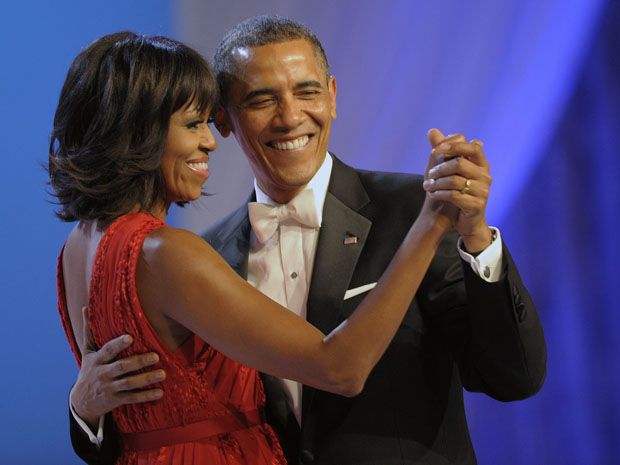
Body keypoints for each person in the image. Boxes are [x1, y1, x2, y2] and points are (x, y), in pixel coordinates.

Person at [66, 17, 546, 465]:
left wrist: (477, 239)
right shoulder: (201, 255)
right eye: (261, 99)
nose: (290, 116)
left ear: (333, 97)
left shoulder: (407, 208)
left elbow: (512, 376)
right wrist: (85, 410)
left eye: (307, 92)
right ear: (226, 119)